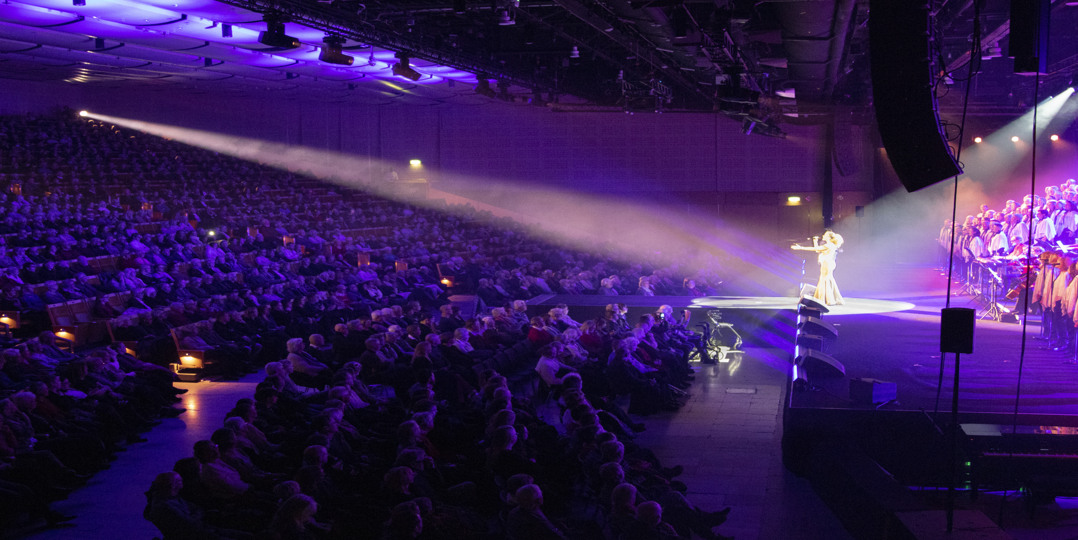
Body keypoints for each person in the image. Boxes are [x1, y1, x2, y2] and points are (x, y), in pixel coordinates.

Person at [792, 230, 845, 306]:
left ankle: (827, 299)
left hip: (827, 264)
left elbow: (814, 249)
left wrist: (800, 247)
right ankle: (830, 298)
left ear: (828, 237)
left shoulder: (829, 245)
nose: (823, 236)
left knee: (824, 280)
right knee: (827, 279)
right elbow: (817, 250)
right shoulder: (830, 245)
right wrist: (815, 241)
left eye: (825, 235)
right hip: (828, 263)